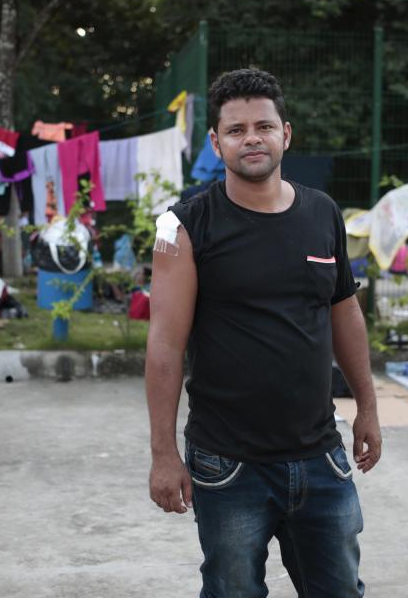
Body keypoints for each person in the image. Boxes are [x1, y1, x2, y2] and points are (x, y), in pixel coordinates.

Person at [145, 68, 381, 597]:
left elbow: (345, 313)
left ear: (286, 133)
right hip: (228, 465)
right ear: (215, 142)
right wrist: (164, 453)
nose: (251, 138)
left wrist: (367, 405)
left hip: (321, 456)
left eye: (263, 126)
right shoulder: (181, 227)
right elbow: (164, 345)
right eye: (235, 129)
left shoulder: (323, 213)